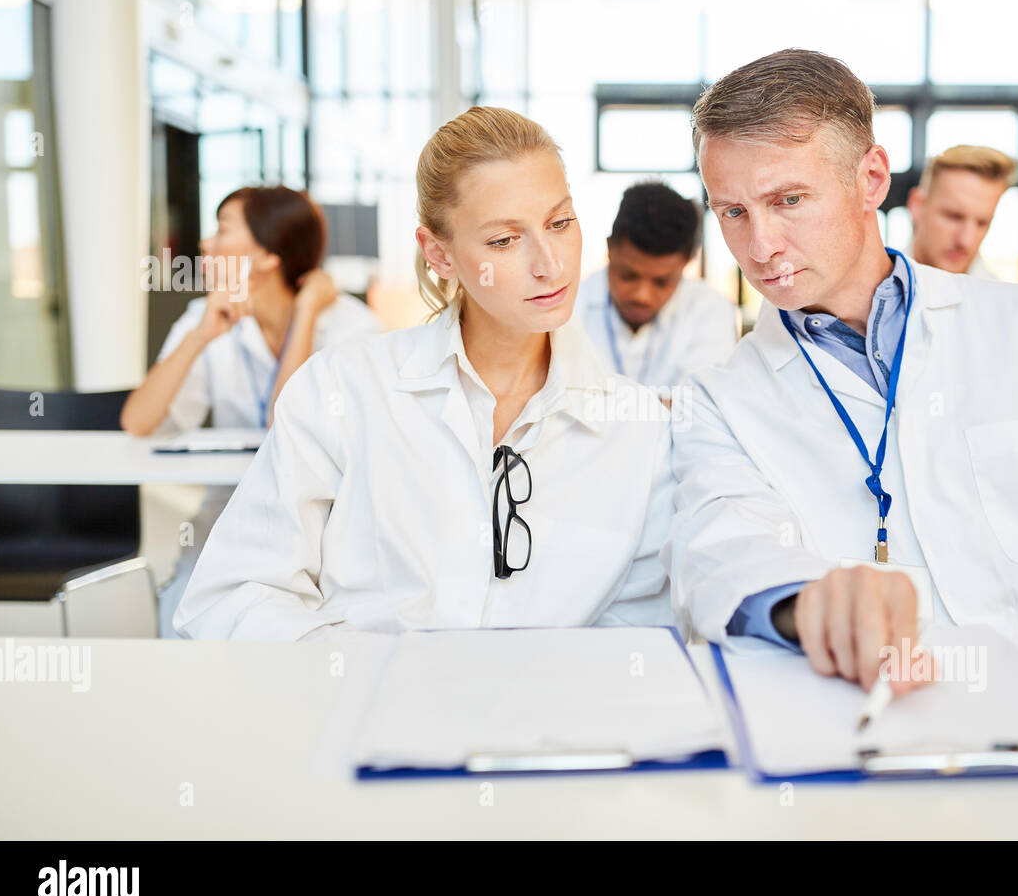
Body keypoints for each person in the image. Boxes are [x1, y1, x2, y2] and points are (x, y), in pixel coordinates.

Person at [663, 48, 1018, 692]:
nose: (759, 246)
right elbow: (720, 553)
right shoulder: (719, 399)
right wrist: (803, 605)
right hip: (869, 730)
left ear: (871, 179)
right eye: (732, 211)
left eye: (790, 199)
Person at [175, 106, 675, 640]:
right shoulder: (342, 389)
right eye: (504, 240)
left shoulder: (638, 432)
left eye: (560, 222)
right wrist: (363, 677)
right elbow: (233, 596)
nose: (549, 264)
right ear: (439, 254)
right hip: (365, 712)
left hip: (551, 721)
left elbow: (642, 636)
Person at [121, 186, 380, 638]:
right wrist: (200, 336)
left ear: (267, 256)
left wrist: (304, 315)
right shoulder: (205, 316)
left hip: (330, 526)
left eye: (222, 229)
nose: (204, 244)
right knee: (186, 615)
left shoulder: (352, 326)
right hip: (227, 518)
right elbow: (138, 421)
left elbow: (284, 423)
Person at [577, 181, 737, 395]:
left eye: (662, 282)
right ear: (610, 249)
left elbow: (704, 412)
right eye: (628, 276)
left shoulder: (711, 310)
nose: (642, 296)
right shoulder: (568, 307)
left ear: (687, 262)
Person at [907, 144, 1017, 280]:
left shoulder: (1000, 299)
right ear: (917, 206)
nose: (966, 241)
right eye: (954, 217)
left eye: (982, 223)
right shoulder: (875, 287)